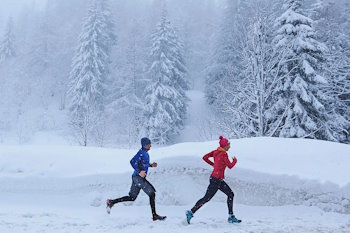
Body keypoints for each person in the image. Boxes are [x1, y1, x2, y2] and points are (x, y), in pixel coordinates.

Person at [106, 137, 166, 221]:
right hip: (138, 178)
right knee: (152, 193)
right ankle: (154, 215)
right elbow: (132, 161)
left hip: (136, 178)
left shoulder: (145, 153)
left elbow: (143, 163)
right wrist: (139, 171)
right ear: (145, 145)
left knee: (132, 197)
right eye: (149, 144)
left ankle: (111, 202)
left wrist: (151, 165)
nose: (150, 146)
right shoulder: (141, 152)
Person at [186, 136, 241, 224]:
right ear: (224, 145)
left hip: (216, 179)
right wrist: (234, 161)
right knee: (206, 198)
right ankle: (191, 212)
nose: (229, 147)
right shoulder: (224, 154)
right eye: (228, 145)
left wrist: (213, 164)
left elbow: (205, 157)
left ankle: (231, 216)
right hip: (216, 180)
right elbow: (230, 166)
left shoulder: (216, 152)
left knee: (230, 194)